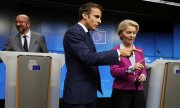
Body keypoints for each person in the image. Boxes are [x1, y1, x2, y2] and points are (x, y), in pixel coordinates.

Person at [63, 2, 141, 108]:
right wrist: (119, 52)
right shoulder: (74, 33)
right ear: (85, 15)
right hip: (78, 95)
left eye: (100, 18)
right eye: (96, 17)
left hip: (88, 93)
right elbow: (89, 58)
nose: (99, 21)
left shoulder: (85, 33)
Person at [110, 19, 147, 108]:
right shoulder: (115, 51)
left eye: (134, 33)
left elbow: (143, 68)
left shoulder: (139, 51)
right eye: (129, 32)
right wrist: (131, 68)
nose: (132, 36)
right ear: (121, 34)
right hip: (121, 92)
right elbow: (114, 72)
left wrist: (143, 75)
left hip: (138, 91)